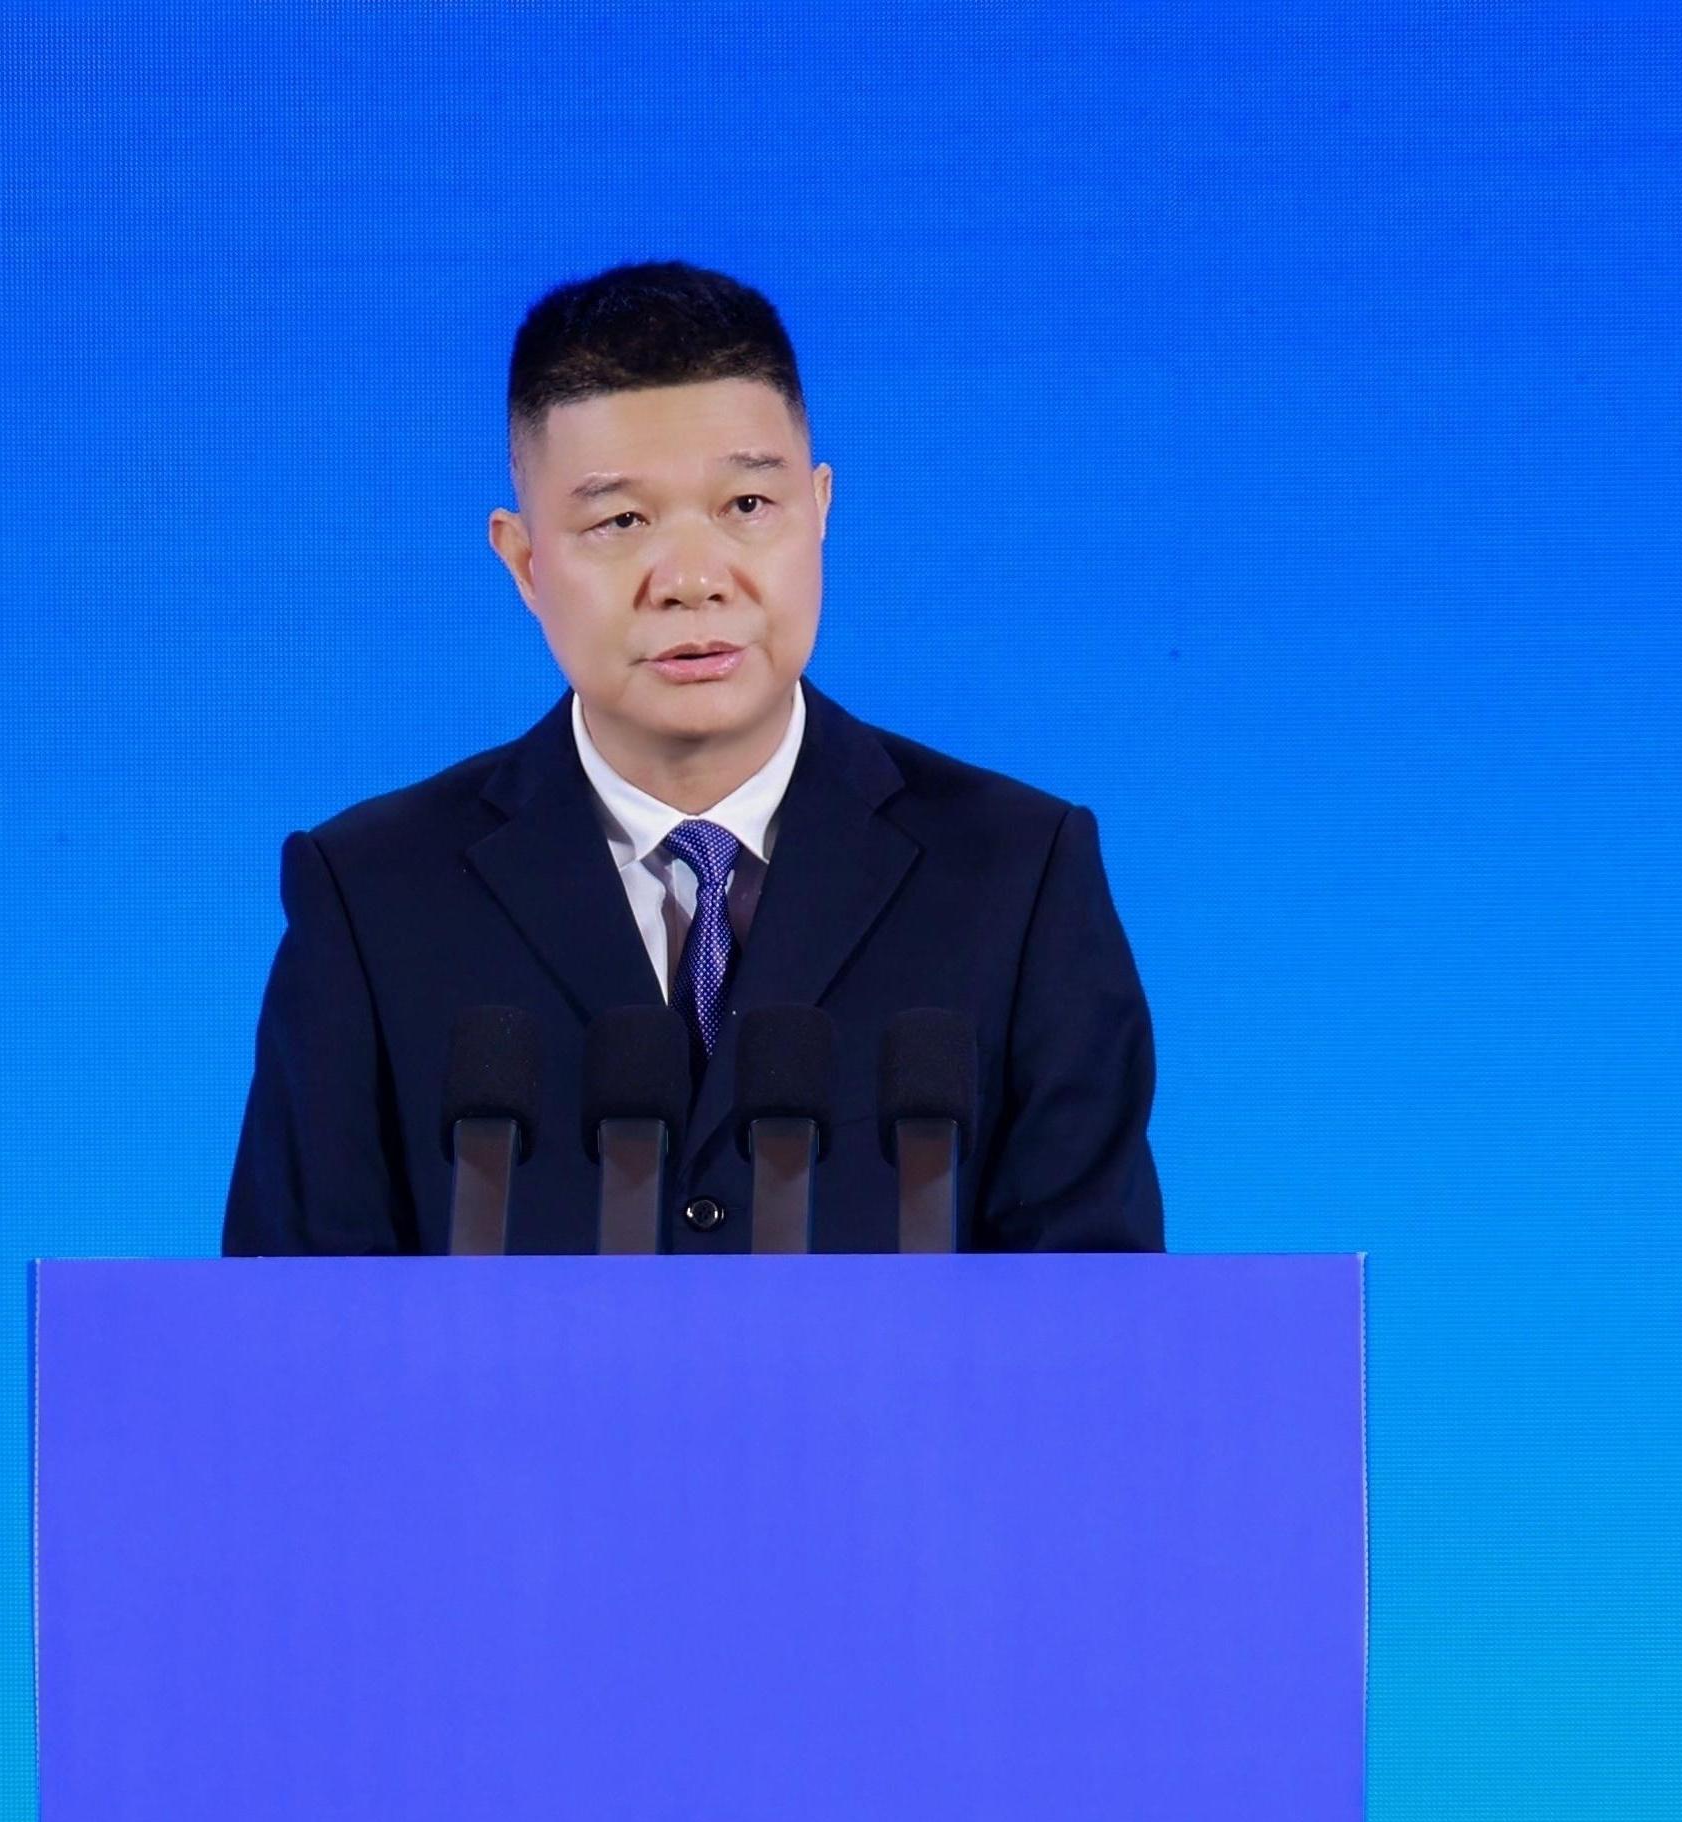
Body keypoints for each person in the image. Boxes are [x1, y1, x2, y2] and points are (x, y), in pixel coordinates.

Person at [223, 260, 1162, 1254]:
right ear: (525, 560)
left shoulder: (1018, 875)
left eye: (746, 505)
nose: (693, 579)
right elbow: (288, 1321)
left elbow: (1097, 1315)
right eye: (621, 521)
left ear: (820, 507)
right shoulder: (372, 897)